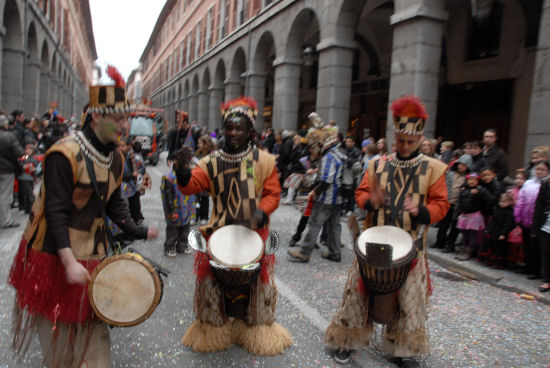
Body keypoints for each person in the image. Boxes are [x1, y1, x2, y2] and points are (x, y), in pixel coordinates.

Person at [8, 66, 159, 367]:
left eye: (126, 119)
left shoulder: (115, 157)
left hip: (94, 256)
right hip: (54, 256)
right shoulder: (63, 154)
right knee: (61, 345)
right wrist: (67, 262)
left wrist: (139, 230)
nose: (124, 126)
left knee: (94, 339)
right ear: (96, 116)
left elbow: (116, 206)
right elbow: (56, 212)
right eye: (118, 119)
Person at [324, 96, 449, 367]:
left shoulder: (434, 168)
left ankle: (403, 350)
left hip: (412, 247)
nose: (404, 146)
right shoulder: (377, 165)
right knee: (357, 295)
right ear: (394, 137)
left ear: (419, 139)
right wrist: (371, 201)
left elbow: (442, 205)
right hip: (373, 243)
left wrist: (422, 211)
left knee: (409, 301)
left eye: (410, 142)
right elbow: (360, 195)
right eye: (400, 141)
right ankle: (348, 340)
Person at [173, 96, 291, 355]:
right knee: (212, 283)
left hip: (253, 234)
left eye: (239, 128)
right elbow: (191, 186)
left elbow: (273, 194)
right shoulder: (211, 161)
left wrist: (262, 211)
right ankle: (215, 330)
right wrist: (182, 172)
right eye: (229, 127)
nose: (233, 132)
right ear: (223, 129)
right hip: (219, 233)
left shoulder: (265, 161)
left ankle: (256, 330)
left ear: (250, 131)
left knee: (257, 285)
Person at [287, 119, 345, 263]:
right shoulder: (339, 153)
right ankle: (335, 252)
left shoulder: (328, 157)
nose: (315, 148)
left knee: (314, 223)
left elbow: (327, 179)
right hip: (339, 198)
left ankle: (305, 252)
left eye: (317, 145)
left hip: (327, 197)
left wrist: (314, 192)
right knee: (334, 226)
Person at [515, 161, 550, 279]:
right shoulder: (529, 183)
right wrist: (518, 215)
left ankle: (538, 271)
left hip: (541, 220)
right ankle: (529, 267)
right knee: (528, 245)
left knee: (539, 248)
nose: (539, 171)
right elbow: (521, 199)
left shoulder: (546, 184)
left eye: (542, 169)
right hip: (527, 218)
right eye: (537, 169)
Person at [161, 148, 196, 257]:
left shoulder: (189, 174)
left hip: (187, 207)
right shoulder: (169, 178)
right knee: (173, 229)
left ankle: (182, 245)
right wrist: (171, 210)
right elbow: (168, 195)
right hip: (175, 208)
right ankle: (169, 247)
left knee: (185, 228)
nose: (188, 164)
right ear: (176, 161)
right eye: (185, 162)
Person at [435, 154, 472, 253]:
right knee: (443, 224)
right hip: (447, 202)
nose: (461, 166)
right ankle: (440, 242)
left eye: (464, 165)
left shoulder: (468, 178)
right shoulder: (450, 174)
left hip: (458, 205)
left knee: (455, 227)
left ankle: (450, 245)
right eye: (460, 164)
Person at [455, 172, 489, 261]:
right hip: (464, 215)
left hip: (474, 216)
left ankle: (468, 252)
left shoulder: (479, 190)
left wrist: (479, 193)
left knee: (472, 235)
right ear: (467, 181)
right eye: (470, 179)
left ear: (478, 181)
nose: (472, 182)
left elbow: (485, 200)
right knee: (464, 234)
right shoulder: (464, 189)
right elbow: (460, 201)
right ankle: (462, 250)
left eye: (474, 180)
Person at [0, 113, 24, 228]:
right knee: (5, 195)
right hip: (6, 169)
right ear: (5, 125)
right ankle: (6, 221)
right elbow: (20, 153)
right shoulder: (9, 136)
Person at [531, 160, 550, 292]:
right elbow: (539, 205)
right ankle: (546, 280)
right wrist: (535, 227)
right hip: (546, 225)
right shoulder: (546, 184)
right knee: (546, 253)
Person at [485, 193, 515, 269]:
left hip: (501, 233)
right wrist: (489, 230)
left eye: (504, 202)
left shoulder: (509, 212)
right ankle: (491, 261)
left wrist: (504, 234)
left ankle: (500, 264)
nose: (502, 204)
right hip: (494, 231)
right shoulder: (496, 209)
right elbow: (492, 221)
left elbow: (508, 225)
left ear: (509, 202)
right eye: (501, 201)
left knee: (500, 249)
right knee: (493, 247)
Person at [195, 135, 215, 225]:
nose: (198, 145)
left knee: (204, 198)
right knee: (195, 198)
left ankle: (204, 216)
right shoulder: (198, 154)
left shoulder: (211, 155)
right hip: (197, 179)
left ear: (204, 144)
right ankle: (195, 216)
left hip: (206, 179)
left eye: (199, 143)